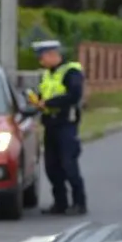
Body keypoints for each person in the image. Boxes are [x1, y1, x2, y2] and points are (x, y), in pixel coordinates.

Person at [32, 39, 88, 215]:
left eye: (42, 57)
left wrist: (47, 102)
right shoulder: (47, 74)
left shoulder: (71, 72)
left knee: (69, 165)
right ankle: (60, 203)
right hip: (50, 125)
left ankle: (79, 203)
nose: (40, 61)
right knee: (52, 167)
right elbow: (44, 93)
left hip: (66, 125)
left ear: (52, 55)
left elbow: (74, 95)